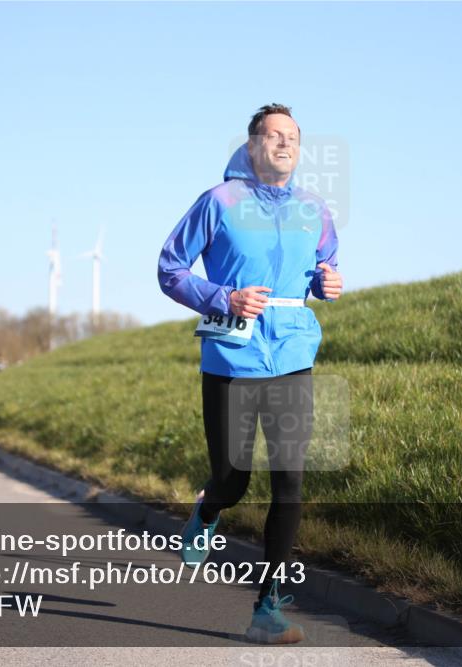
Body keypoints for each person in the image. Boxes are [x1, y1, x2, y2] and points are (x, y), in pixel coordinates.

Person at [158, 104, 343, 644]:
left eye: (293, 137)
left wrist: (327, 282)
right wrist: (224, 297)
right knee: (234, 478)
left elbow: (325, 265)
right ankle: (209, 509)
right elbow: (170, 268)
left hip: (292, 354)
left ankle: (267, 608)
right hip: (232, 356)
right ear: (252, 144)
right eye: (274, 134)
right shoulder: (219, 201)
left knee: (290, 481)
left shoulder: (315, 209)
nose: (285, 143)